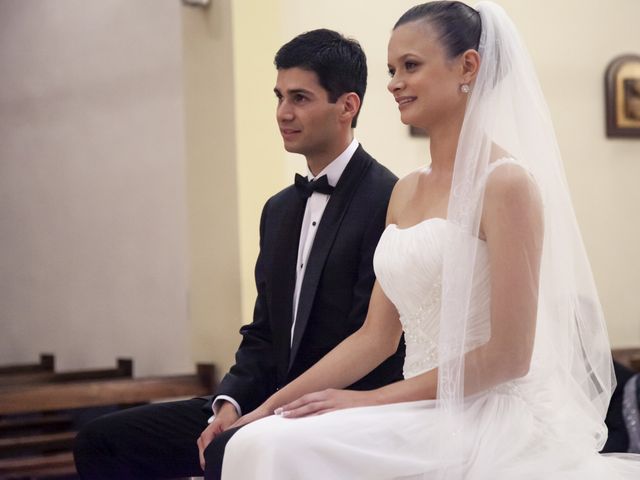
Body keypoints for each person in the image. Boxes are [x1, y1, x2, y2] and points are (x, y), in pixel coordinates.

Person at [219, 2, 640, 478]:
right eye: (392, 69)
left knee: (279, 451)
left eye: (411, 66)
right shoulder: (405, 190)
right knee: (260, 437)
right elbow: (376, 337)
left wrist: (366, 401)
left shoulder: (505, 184)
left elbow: (508, 356)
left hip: (485, 414)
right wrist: (272, 404)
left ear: (468, 67)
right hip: (416, 409)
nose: (394, 82)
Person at [72, 28, 404, 480]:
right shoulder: (280, 210)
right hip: (263, 398)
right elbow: (264, 333)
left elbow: (373, 343)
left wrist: (270, 411)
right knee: (103, 440)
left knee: (230, 452)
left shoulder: (390, 199)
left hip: (336, 408)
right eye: (279, 96)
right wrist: (227, 403)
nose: (283, 113)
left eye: (301, 98)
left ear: (347, 106)